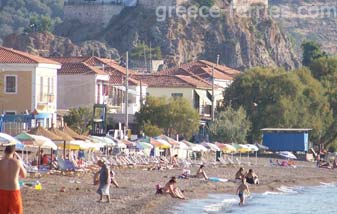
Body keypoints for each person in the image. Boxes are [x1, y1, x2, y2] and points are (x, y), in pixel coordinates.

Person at [0, 145, 27, 214]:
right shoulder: (18, 162)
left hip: (2, 189)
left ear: (5, 151)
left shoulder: (1, 162)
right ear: (14, 152)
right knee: (16, 212)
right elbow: (24, 175)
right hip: (14, 189)